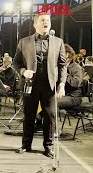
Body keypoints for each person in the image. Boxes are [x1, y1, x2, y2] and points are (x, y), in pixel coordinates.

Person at [13, 14, 67, 158]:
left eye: (48, 20)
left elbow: (62, 65)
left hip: (49, 85)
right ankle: (26, 145)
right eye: (43, 20)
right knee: (29, 115)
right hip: (31, 84)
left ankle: (48, 147)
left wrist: (61, 84)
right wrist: (24, 72)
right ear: (35, 24)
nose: (46, 22)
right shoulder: (24, 42)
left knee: (50, 116)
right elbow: (16, 63)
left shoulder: (58, 42)